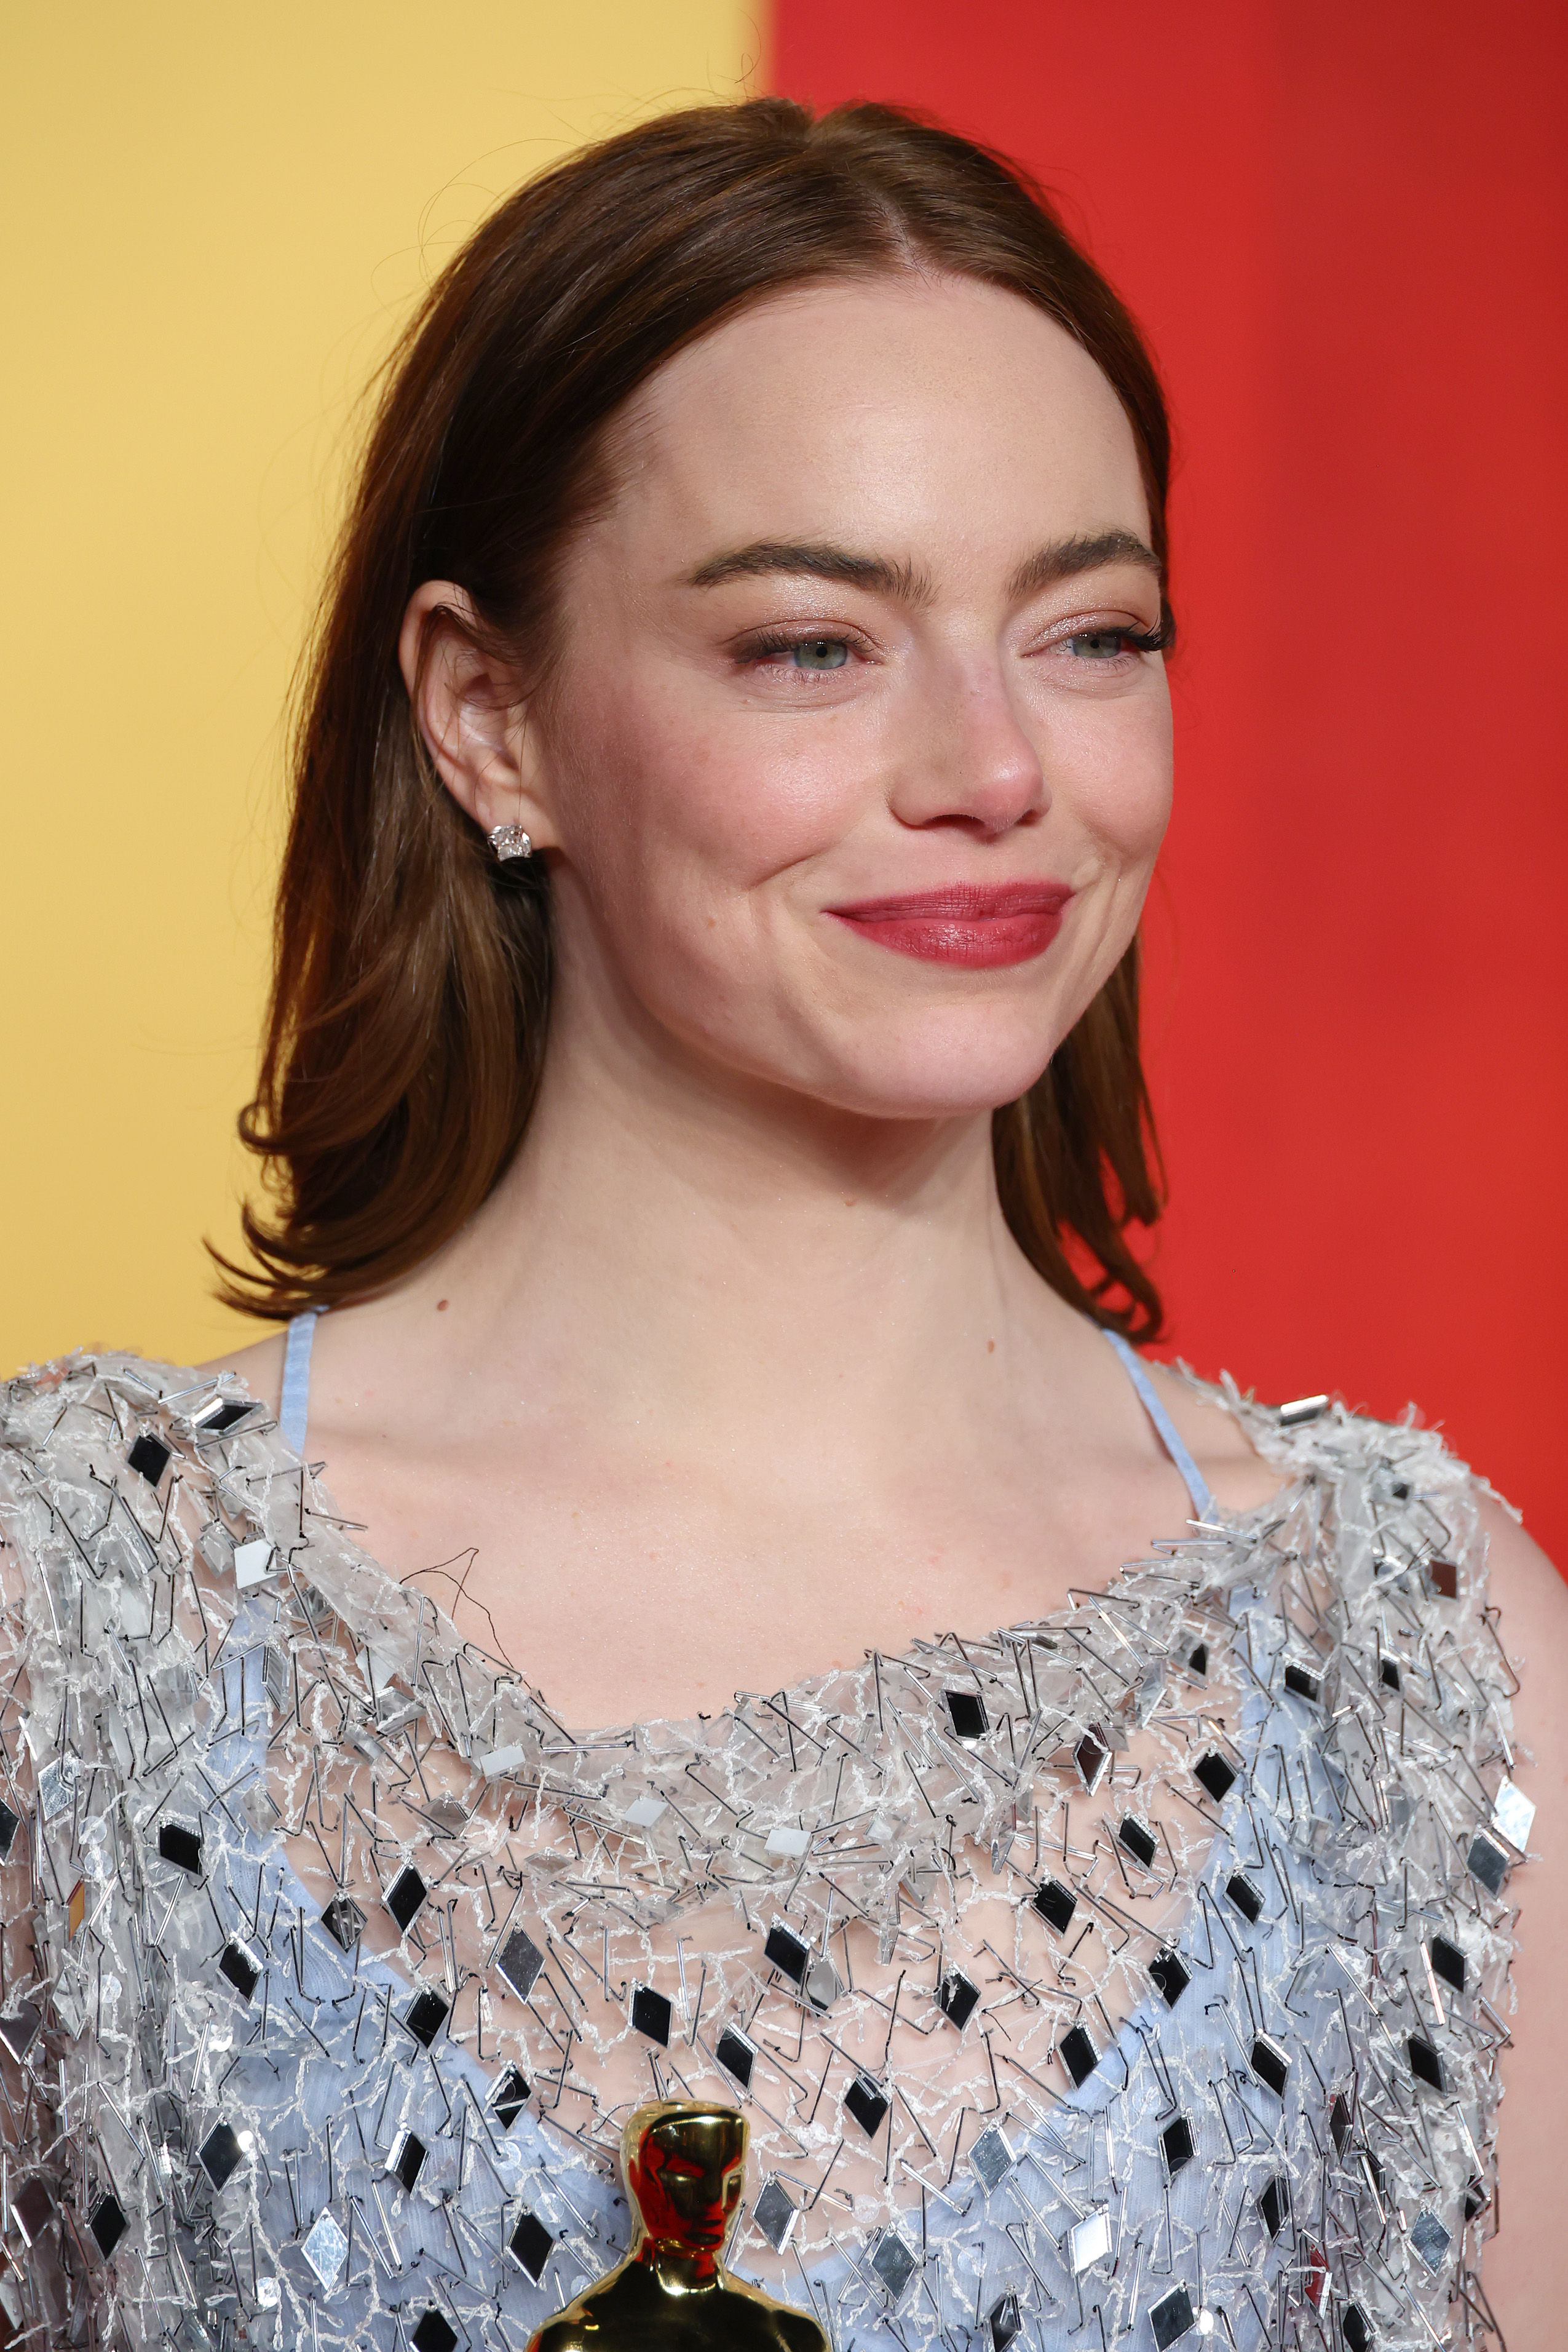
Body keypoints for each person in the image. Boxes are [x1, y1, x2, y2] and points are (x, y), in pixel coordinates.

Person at [1, 97, 1560, 2352]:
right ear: (488, 719)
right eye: (814, 646)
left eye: (1095, 631)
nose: (997, 767)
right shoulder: (69, 1624)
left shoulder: (1438, 1660)